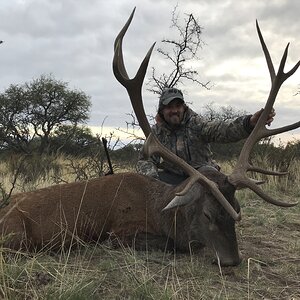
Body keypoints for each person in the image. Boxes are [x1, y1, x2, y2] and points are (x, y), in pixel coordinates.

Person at [136, 87, 275, 184]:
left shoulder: (197, 123)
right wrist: (153, 181)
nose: (174, 111)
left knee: (225, 204)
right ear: (162, 110)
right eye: (169, 107)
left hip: (203, 177)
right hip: (174, 179)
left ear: (184, 107)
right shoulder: (156, 133)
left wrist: (249, 123)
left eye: (178, 106)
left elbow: (221, 130)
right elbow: (145, 160)